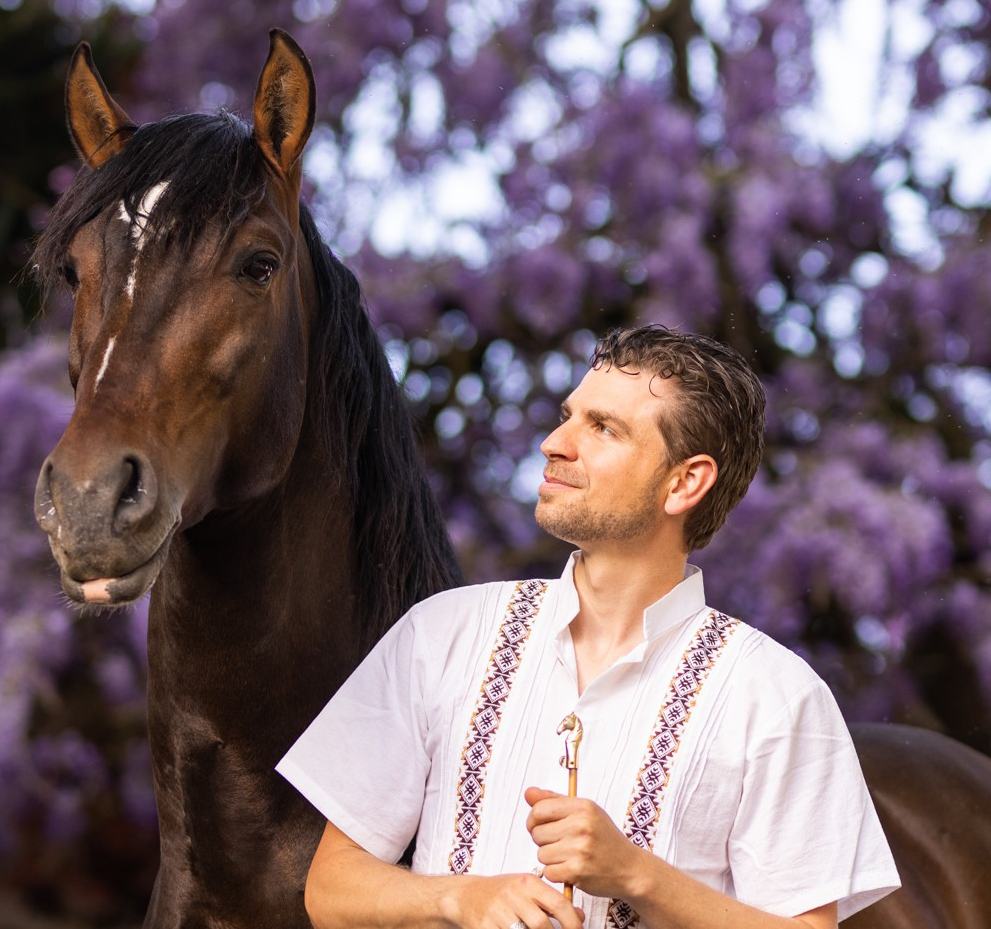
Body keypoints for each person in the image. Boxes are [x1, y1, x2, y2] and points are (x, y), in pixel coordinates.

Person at [276, 326, 900, 929]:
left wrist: (637, 876)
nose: (555, 442)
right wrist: (460, 900)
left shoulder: (776, 696)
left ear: (685, 482)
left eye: (602, 429)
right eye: (568, 415)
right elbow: (331, 890)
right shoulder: (440, 636)